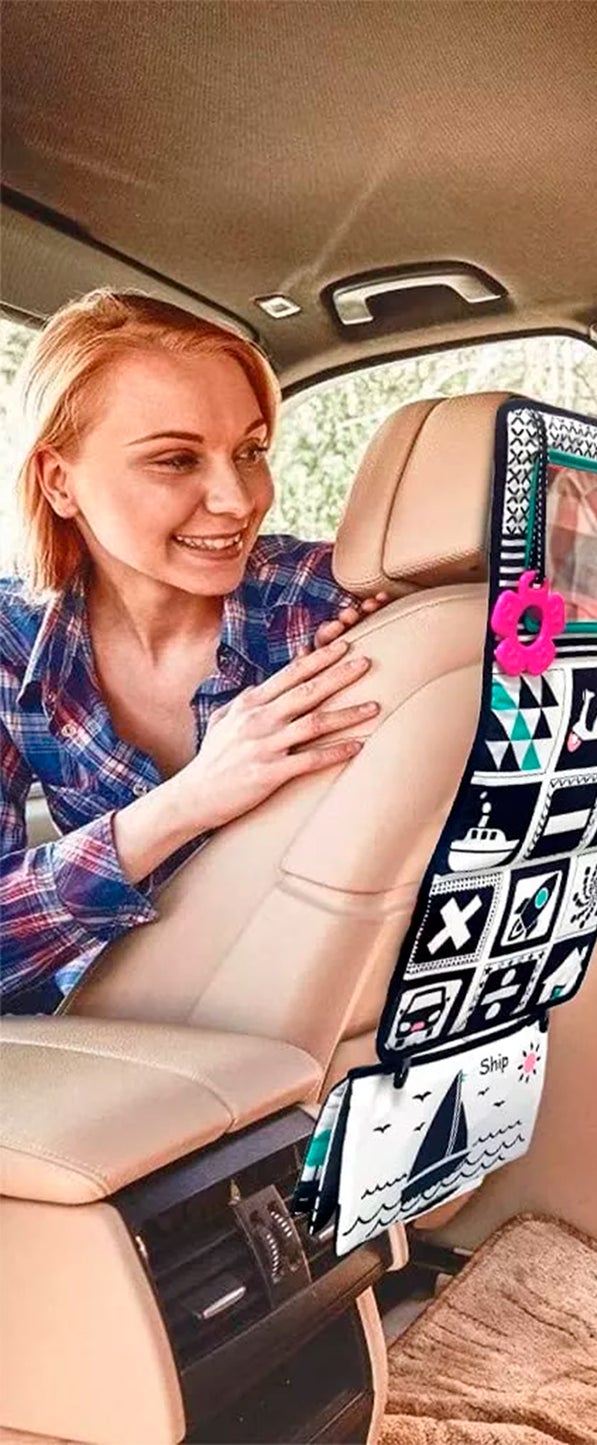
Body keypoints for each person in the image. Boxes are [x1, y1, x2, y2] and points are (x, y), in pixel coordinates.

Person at [1, 290, 388, 1015]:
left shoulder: (326, 604)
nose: (238, 499)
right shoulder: (11, 639)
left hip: (288, 1031)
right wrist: (182, 805)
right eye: (176, 460)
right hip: (97, 1034)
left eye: (249, 452)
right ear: (59, 481)